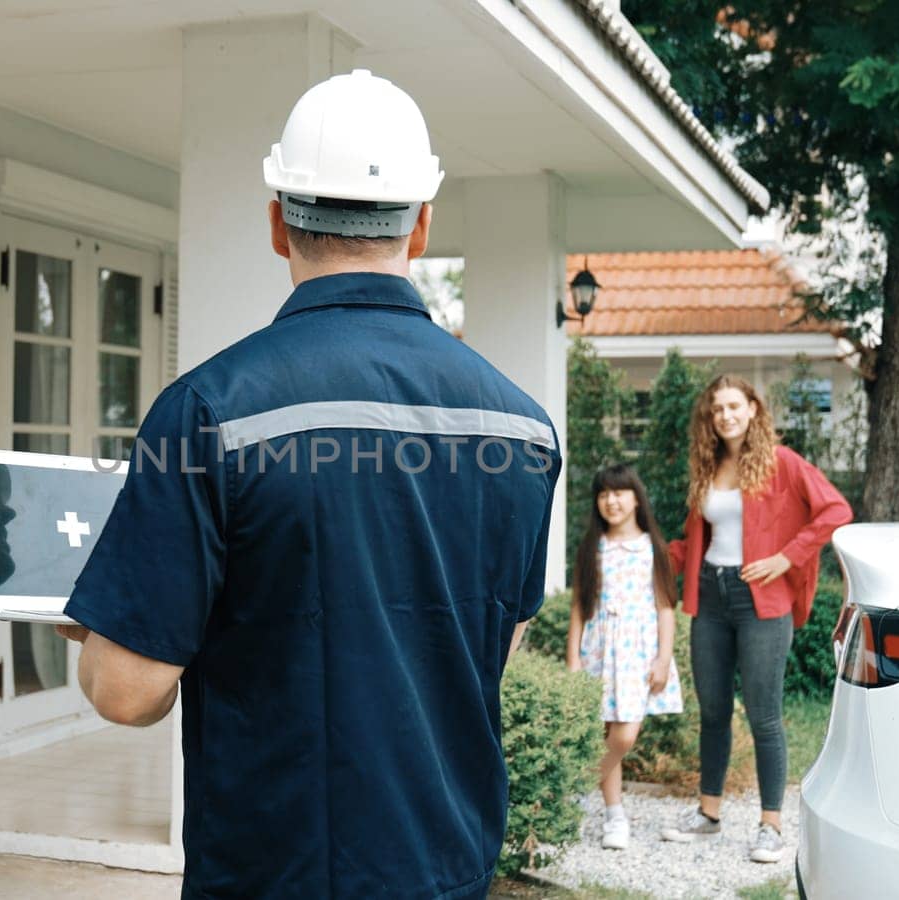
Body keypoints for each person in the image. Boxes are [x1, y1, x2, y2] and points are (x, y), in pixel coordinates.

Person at [55, 69, 561, 899]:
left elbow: (126, 691)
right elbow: (486, 650)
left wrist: (99, 625)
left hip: (274, 873)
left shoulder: (208, 413)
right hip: (449, 869)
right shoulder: (522, 429)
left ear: (276, 223)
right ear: (422, 224)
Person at [659, 374, 851, 863]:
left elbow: (835, 510)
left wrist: (788, 557)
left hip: (761, 602)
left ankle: (770, 824)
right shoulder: (708, 466)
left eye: (733, 406)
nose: (725, 415)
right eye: (717, 408)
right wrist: (650, 556)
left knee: (764, 715)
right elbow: (695, 540)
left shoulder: (781, 462)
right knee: (714, 711)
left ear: (752, 409)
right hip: (711, 601)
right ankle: (708, 813)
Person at [566, 463, 681, 851]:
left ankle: (576, 788)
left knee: (624, 734)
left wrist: (663, 658)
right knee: (604, 730)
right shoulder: (591, 548)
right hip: (598, 650)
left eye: (618, 492)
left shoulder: (653, 548)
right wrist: (573, 658)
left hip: (637, 653)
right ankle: (615, 815)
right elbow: (579, 606)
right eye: (603, 494)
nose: (611, 501)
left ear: (635, 498)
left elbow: (666, 607)